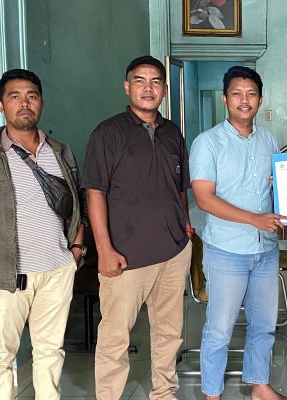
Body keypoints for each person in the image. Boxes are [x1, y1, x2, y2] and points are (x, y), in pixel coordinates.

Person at [0, 69, 86, 399]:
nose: (24, 103)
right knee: (0, 356)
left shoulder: (60, 151)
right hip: (3, 274)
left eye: (32, 96)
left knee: (51, 352)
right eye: (15, 97)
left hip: (57, 270)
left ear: (41, 103)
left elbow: (77, 203)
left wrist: (76, 249)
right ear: (1, 105)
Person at [83, 56, 193, 400]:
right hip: (125, 256)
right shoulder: (107, 133)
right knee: (115, 336)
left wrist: (186, 227)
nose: (148, 88)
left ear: (164, 89)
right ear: (127, 86)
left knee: (169, 332)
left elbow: (180, 187)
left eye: (155, 81)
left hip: (172, 252)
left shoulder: (172, 133)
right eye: (140, 81)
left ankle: (164, 392)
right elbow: (95, 192)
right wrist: (104, 249)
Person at [189, 66, 287, 400]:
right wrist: (254, 219)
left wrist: (283, 196)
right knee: (220, 328)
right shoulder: (207, 143)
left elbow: (274, 191)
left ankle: (259, 386)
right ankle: (212, 394)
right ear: (225, 99)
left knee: (264, 325)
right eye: (236, 93)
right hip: (226, 251)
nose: (244, 100)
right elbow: (204, 199)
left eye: (251, 94)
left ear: (260, 99)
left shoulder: (269, 140)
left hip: (265, 250)